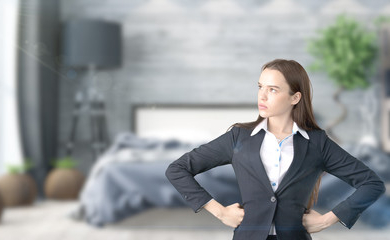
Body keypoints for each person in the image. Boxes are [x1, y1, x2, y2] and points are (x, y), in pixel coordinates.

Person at [165, 59, 386, 240]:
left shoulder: (317, 143)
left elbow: (372, 184)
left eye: (272, 89)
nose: (262, 96)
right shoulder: (238, 137)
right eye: (260, 87)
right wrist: (220, 212)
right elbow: (178, 169)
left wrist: (327, 219)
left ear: (295, 97)